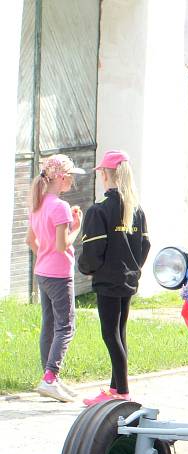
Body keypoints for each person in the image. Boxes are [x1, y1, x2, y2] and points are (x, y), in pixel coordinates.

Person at [78, 150, 150, 406]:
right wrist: (133, 268)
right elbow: (145, 245)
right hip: (127, 280)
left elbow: (93, 252)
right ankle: (114, 387)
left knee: (110, 334)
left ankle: (122, 391)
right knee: (120, 333)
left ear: (106, 175)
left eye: (101, 173)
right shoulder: (136, 209)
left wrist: (86, 268)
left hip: (108, 281)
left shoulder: (99, 211)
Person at [26, 155, 84, 402]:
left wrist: (44, 256)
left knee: (49, 324)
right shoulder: (59, 206)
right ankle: (50, 377)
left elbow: (31, 241)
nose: (73, 180)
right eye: (71, 176)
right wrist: (77, 227)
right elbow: (62, 245)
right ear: (61, 178)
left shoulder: (37, 204)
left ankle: (50, 377)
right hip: (60, 274)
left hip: (43, 272)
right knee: (66, 326)